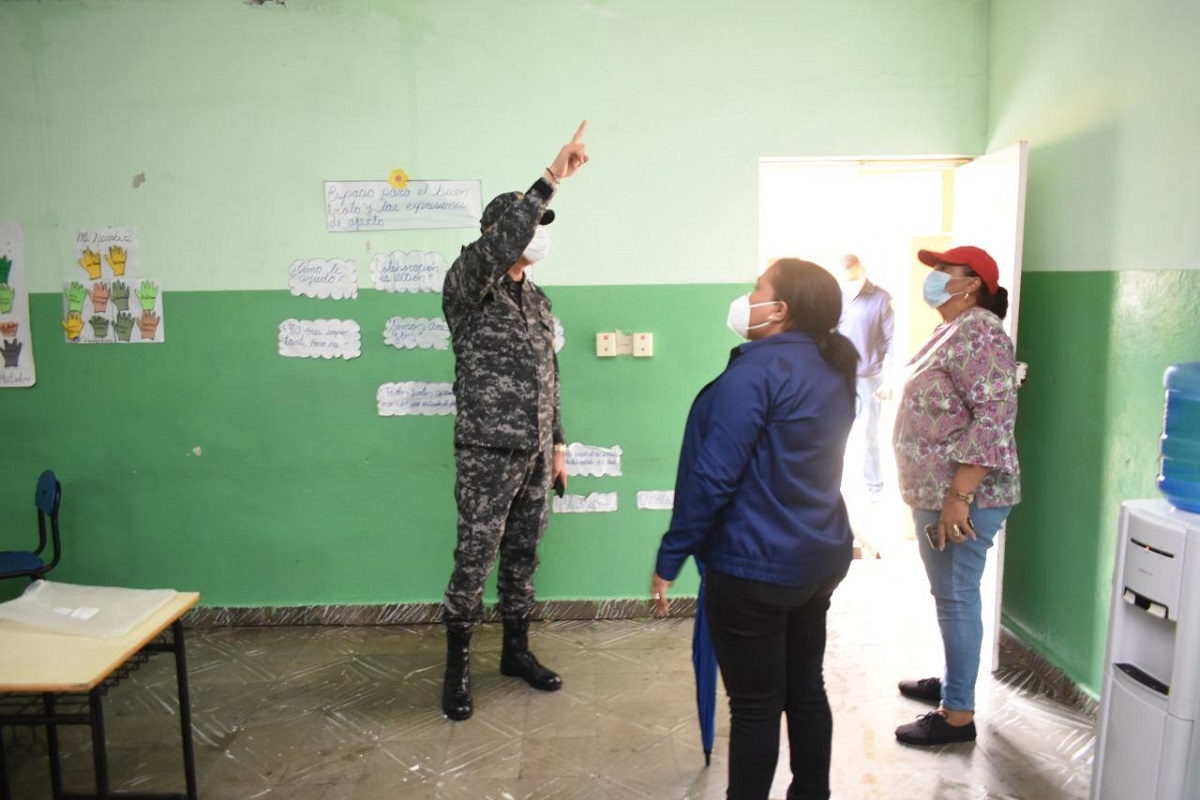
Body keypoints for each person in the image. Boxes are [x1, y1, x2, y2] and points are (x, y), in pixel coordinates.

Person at [651, 259, 859, 800]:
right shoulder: (833, 366)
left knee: (756, 706)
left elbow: (713, 478)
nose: (747, 296)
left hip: (754, 567)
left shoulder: (755, 373)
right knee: (805, 689)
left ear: (780, 309)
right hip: (818, 559)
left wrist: (671, 555)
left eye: (756, 289)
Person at [439, 122, 589, 721]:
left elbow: (547, 378)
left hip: (531, 452)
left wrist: (557, 445)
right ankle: (455, 673)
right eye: (526, 227)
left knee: (524, 555)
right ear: (495, 236)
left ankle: (515, 653)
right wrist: (550, 178)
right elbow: (503, 243)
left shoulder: (538, 300)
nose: (536, 236)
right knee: (475, 556)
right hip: (487, 450)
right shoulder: (467, 288)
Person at [892, 245, 1021, 746]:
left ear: (971, 284)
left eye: (944, 270)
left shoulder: (981, 332)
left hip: (965, 495)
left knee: (957, 595)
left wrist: (959, 496)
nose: (935, 277)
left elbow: (993, 419)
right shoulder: (951, 330)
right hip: (939, 489)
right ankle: (953, 682)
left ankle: (957, 716)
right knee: (949, 595)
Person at [837, 254, 894, 501]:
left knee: (869, 435)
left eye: (850, 269)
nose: (847, 274)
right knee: (836, 432)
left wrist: (890, 379)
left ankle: (874, 488)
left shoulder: (880, 299)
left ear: (860, 267)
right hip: (841, 376)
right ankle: (834, 486)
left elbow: (892, 340)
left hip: (870, 377)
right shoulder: (839, 298)